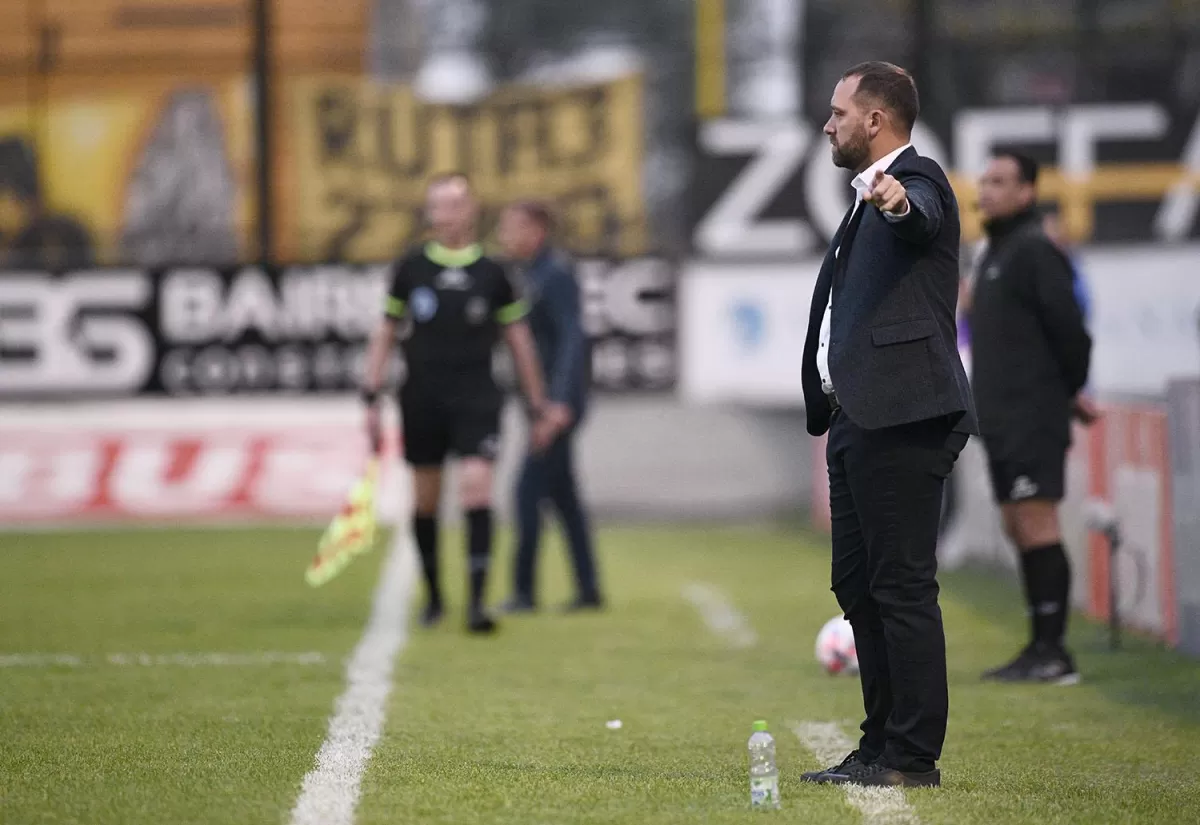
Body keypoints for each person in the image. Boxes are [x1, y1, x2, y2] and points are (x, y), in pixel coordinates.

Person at [798, 62, 976, 789]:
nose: (828, 123)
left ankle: (911, 755)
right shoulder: (862, 198)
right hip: (858, 418)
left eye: (840, 112)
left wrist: (899, 204)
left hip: (903, 414)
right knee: (859, 585)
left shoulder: (916, 179)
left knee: (901, 585)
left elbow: (922, 215)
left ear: (876, 120)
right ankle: (878, 745)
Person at [361, 172, 550, 634]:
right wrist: (371, 394)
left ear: (471, 210)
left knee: (477, 482)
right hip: (422, 396)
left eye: (454, 204)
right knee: (426, 498)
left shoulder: (494, 273)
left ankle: (478, 603)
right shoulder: (411, 268)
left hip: (477, 396)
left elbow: (519, 339)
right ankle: (434, 597)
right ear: (431, 213)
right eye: (438, 205)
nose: (446, 214)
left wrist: (537, 402)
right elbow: (386, 331)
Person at [970, 151, 1095, 683]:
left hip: (1032, 413)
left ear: (1027, 192)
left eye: (999, 182)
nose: (986, 191)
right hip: (1002, 416)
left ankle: (1054, 652)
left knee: (1036, 520)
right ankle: (1038, 646)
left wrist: (1067, 391)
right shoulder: (993, 254)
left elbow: (1071, 332)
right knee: (1017, 524)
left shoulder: (1036, 251)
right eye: (984, 181)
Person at [496, 201, 603, 614]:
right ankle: (589, 589)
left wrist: (556, 404)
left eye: (512, 227)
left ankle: (523, 593)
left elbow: (572, 340)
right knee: (564, 499)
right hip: (541, 404)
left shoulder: (554, 274)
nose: (505, 236)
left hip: (555, 408)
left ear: (536, 228)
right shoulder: (529, 274)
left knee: (526, 495)